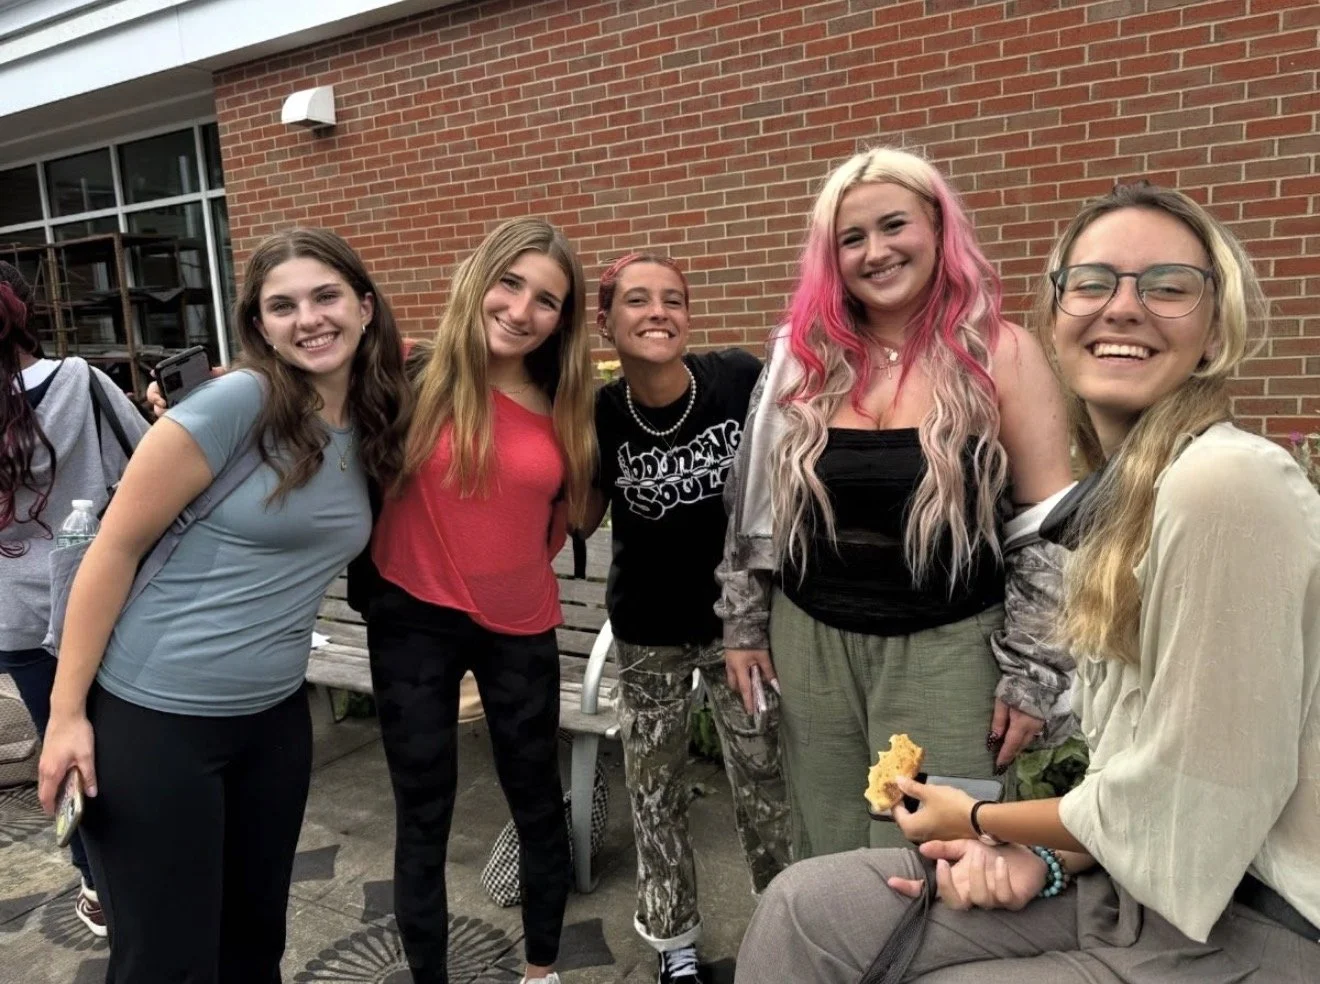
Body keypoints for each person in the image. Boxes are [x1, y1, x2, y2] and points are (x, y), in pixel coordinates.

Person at [734, 182, 1320, 984]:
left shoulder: (1223, 485)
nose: (1122, 308)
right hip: (1127, 879)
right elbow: (1140, 785)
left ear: (1218, 332)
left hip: (1255, 913)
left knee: (912, 928)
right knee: (807, 905)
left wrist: (985, 814)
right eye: (1093, 283)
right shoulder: (1130, 496)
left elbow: (1189, 812)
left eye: (1167, 287)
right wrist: (1042, 862)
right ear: (1060, 314)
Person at [36, 228, 411, 982]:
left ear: (366, 309)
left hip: (273, 723)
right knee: (167, 962)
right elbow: (112, 550)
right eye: (283, 306)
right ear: (260, 326)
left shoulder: (371, 419)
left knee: (251, 949)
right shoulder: (241, 402)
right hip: (155, 721)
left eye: (326, 296)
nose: (309, 318)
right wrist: (67, 716)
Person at [715, 147, 1076, 859]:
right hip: (811, 644)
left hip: (947, 651)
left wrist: (1033, 674)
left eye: (893, 227)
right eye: (852, 239)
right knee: (828, 850)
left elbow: (1050, 531)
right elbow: (753, 507)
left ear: (938, 230)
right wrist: (745, 626)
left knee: (938, 856)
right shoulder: (803, 360)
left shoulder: (1002, 353)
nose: (875, 252)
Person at [366, 217, 595, 984]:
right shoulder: (405, 376)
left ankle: (543, 970)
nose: (523, 309)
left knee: (536, 803)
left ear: (562, 319)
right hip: (412, 626)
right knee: (423, 817)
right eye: (511, 283)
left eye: (547, 300)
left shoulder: (565, 404)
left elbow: (555, 524)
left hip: (520, 630)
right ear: (477, 280)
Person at [580, 253, 791, 983]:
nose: (658, 311)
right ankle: (675, 947)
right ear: (604, 320)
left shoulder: (736, 378)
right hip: (646, 635)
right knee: (654, 790)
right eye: (637, 300)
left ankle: (787, 925)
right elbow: (579, 516)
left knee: (766, 779)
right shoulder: (600, 413)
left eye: (673, 298)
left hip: (743, 631)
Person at [0, 260, 148, 937]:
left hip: (14, 617)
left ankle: (99, 886)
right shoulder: (80, 383)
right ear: (25, 312)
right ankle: (149, 875)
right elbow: (148, 464)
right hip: (101, 602)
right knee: (131, 747)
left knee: (61, 749)